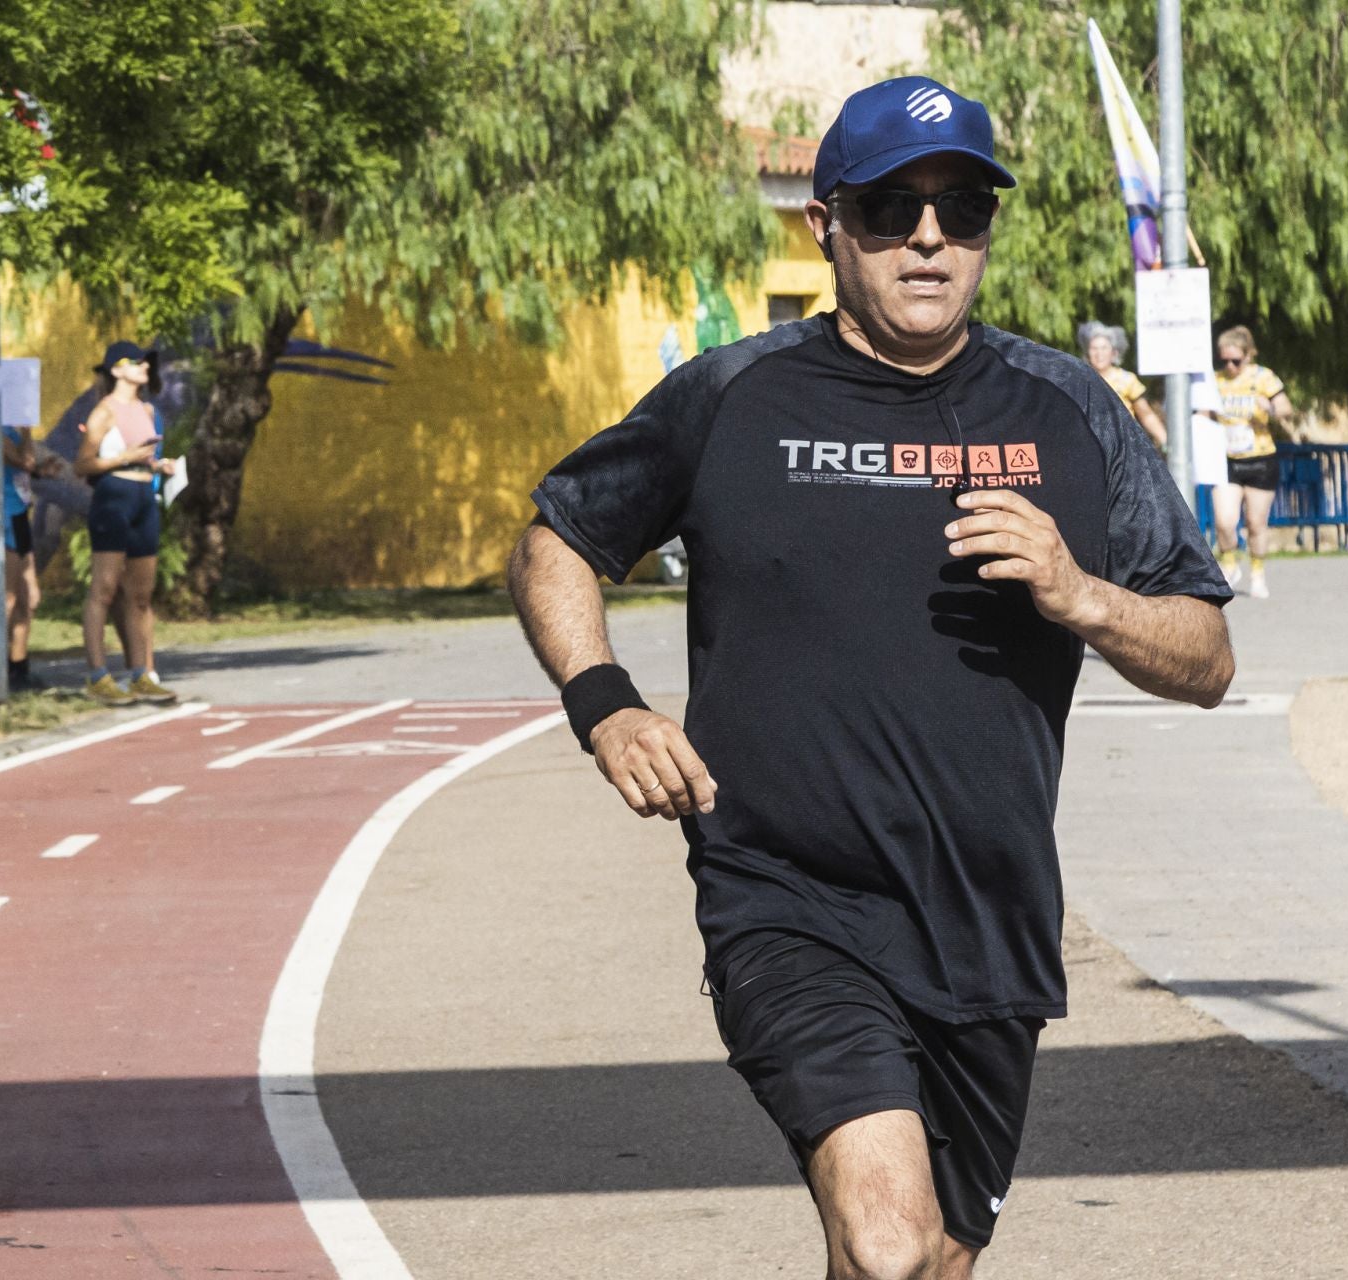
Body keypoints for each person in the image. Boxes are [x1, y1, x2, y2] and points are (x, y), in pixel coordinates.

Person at [507, 77, 1235, 1278]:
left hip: (989, 913)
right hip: (789, 894)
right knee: (890, 1235)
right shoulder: (732, 396)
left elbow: (1206, 659)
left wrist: (1080, 593)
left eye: (962, 208)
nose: (931, 237)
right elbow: (559, 537)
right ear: (827, 225)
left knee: (930, 1255)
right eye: (894, 207)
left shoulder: (1069, 412)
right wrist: (606, 701)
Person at [74, 340, 179, 706]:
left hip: (143, 500)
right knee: (104, 589)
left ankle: (141, 672)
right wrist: (124, 458)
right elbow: (82, 464)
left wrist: (158, 466)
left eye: (146, 363)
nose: (144, 367)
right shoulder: (105, 410)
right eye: (136, 362)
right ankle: (97, 674)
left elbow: (144, 456)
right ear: (116, 370)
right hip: (113, 498)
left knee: (141, 595)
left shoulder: (148, 410)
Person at [1208, 325, 1293, 598]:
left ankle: (1257, 572)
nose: (1230, 366)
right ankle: (1230, 564)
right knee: (1224, 520)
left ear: (1248, 356)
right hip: (1227, 460)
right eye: (1225, 360)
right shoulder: (1215, 380)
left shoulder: (1263, 377)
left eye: (1236, 360)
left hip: (1260, 459)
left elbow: (1286, 409)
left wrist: (1272, 408)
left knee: (1256, 523)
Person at [0, 417, 51, 692]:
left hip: (18, 514)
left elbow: (27, 468)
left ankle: (19, 666)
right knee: (6, 598)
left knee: (29, 597)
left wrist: (44, 470)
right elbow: (25, 461)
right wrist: (28, 430)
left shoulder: (10, 430)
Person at [1077, 320, 1165, 450]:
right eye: (1094, 348)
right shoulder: (1080, 379)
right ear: (1087, 353)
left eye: (1104, 348)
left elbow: (1146, 414)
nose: (1099, 353)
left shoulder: (1127, 379)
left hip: (1124, 445)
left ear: (1114, 352)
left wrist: (1164, 439)